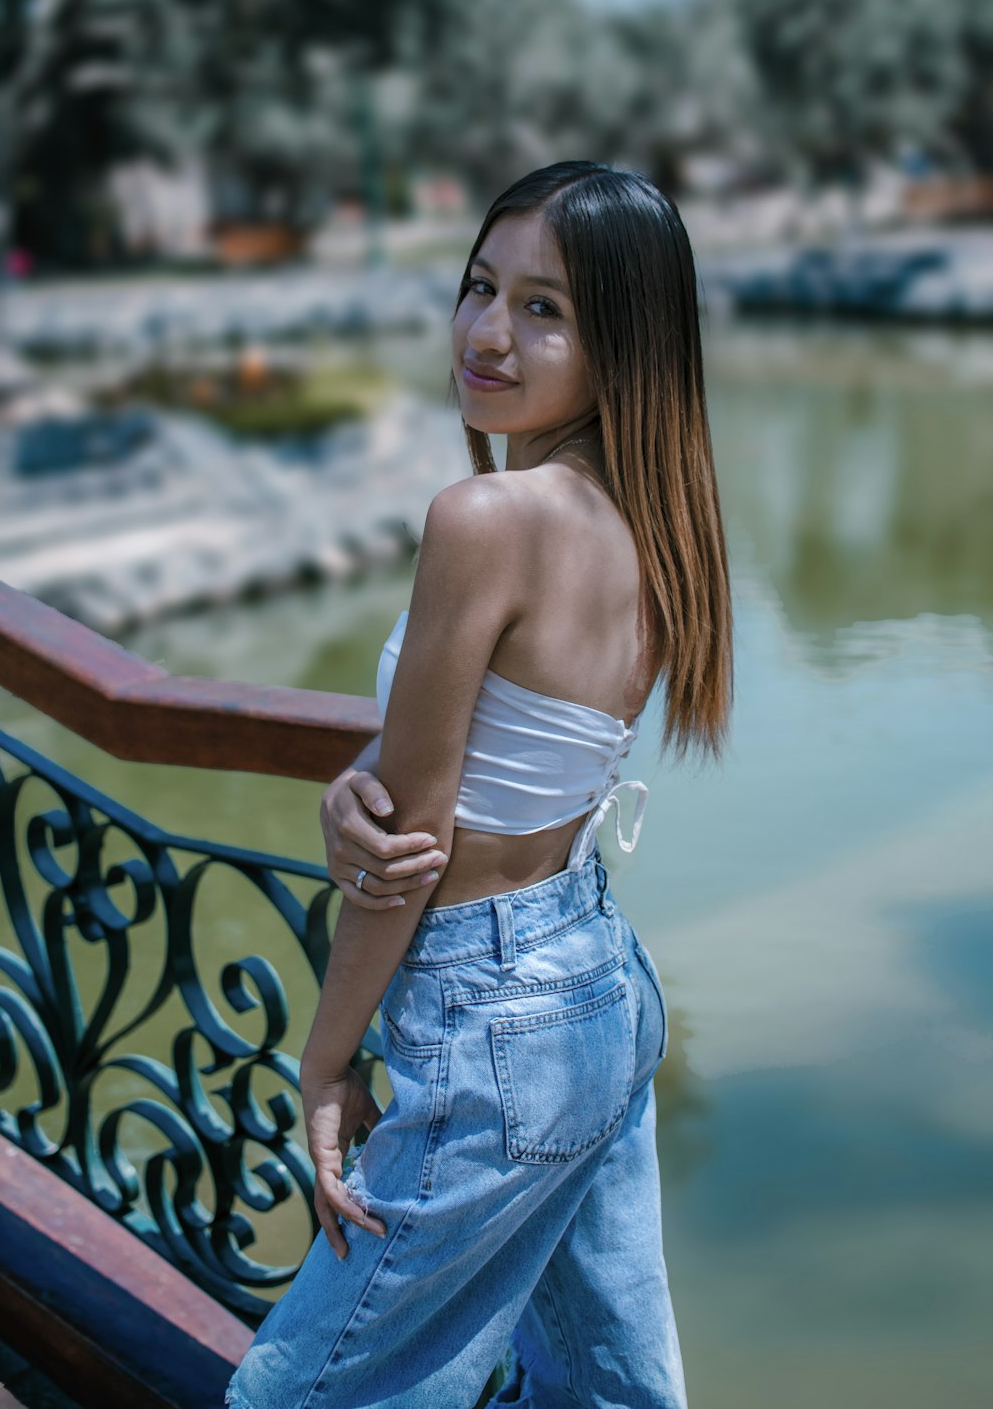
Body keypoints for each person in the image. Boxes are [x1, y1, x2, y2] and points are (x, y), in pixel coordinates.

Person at [225, 160, 733, 1409]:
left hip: (491, 1009)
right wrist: (361, 776)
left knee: (302, 1393)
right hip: (595, 983)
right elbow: (505, 758)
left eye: (545, 308)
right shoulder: (658, 522)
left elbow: (406, 852)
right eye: (478, 288)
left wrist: (326, 1060)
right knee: (606, 1391)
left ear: (626, 338)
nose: (488, 333)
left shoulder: (488, 518)